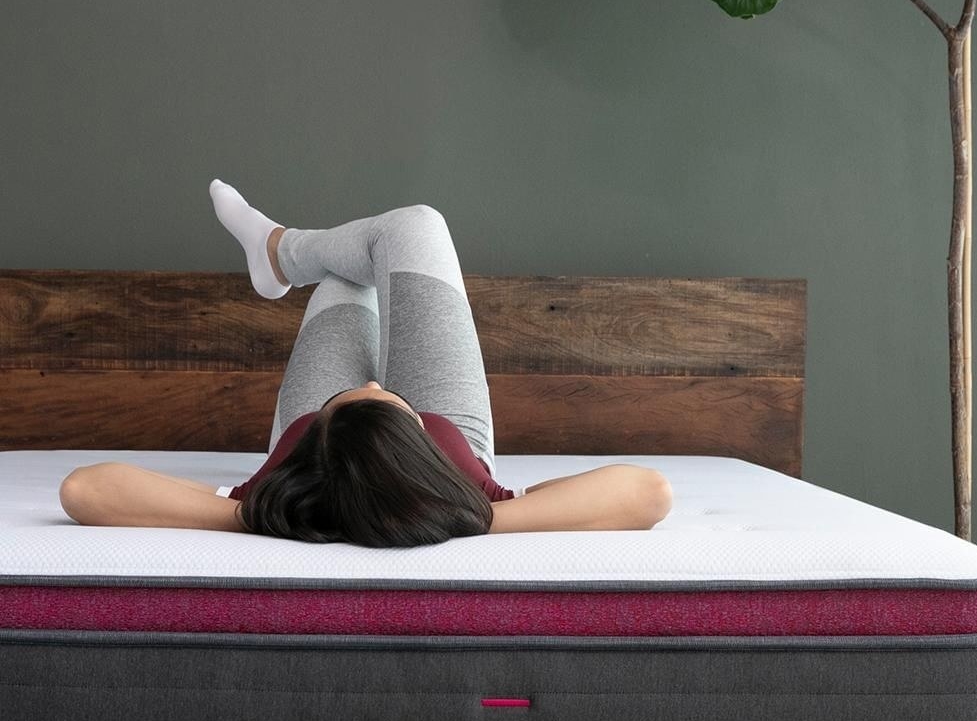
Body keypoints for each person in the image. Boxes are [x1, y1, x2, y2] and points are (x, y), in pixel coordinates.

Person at [60, 184, 673, 546]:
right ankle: (280, 253)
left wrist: (246, 516)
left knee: (345, 274)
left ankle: (282, 255)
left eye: (349, 398)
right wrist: (480, 519)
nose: (374, 380)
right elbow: (649, 494)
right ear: (419, 445)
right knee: (415, 226)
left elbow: (84, 489)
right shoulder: (464, 487)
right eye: (388, 399)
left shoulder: (280, 488)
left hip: (312, 456)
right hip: (451, 432)